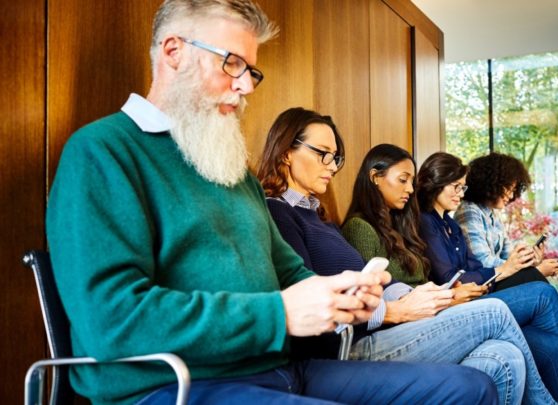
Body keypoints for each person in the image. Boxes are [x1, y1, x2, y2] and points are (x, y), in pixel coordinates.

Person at [44, 1, 500, 404]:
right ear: (173, 52)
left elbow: (289, 270)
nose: (245, 86)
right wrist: (278, 313)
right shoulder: (103, 152)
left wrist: (345, 293)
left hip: (279, 371)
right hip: (176, 386)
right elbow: (112, 322)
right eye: (231, 64)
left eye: (251, 71)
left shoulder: (228, 166)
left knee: (471, 388)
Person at [257, 107, 558, 405]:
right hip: (351, 346)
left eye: (335, 158)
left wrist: (417, 295)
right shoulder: (278, 213)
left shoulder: (317, 216)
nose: (333, 166)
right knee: (494, 311)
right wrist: (398, 310)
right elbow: (308, 301)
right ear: (286, 153)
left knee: (503, 357)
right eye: (323, 153)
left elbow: (368, 284)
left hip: (380, 325)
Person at [341, 144, 558, 405]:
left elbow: (463, 271)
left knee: (515, 351)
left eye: (412, 181)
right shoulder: (362, 228)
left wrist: (444, 294)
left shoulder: (407, 226)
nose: (410, 189)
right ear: (375, 177)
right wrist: (446, 295)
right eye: (403, 180)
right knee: (535, 295)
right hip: (404, 325)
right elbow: (376, 294)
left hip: (433, 308)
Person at [453, 152, 558, 405]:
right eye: (509, 187)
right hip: (489, 286)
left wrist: (531, 260)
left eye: (515, 189)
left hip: (503, 279)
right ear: (491, 182)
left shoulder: (491, 214)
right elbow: (484, 265)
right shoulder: (469, 212)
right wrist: (533, 271)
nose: (512, 195)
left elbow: (505, 256)